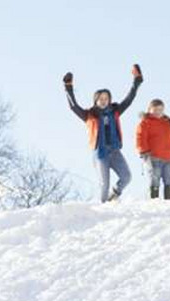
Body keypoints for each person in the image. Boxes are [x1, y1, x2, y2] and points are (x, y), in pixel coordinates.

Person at [64, 64, 144, 203]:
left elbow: (129, 99)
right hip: (100, 153)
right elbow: (73, 106)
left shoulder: (115, 111)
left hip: (114, 151)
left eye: (106, 98)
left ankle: (114, 194)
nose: (104, 101)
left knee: (126, 177)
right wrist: (68, 88)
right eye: (101, 98)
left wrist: (136, 82)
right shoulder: (89, 115)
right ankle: (103, 208)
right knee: (104, 184)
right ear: (96, 101)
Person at [135, 99, 170, 200]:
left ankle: (169, 201)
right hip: (153, 157)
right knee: (154, 179)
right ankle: (154, 202)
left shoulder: (167, 124)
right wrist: (144, 152)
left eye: (161, 110)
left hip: (168, 158)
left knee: (169, 180)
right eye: (155, 109)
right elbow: (140, 138)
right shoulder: (145, 123)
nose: (158, 112)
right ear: (149, 110)